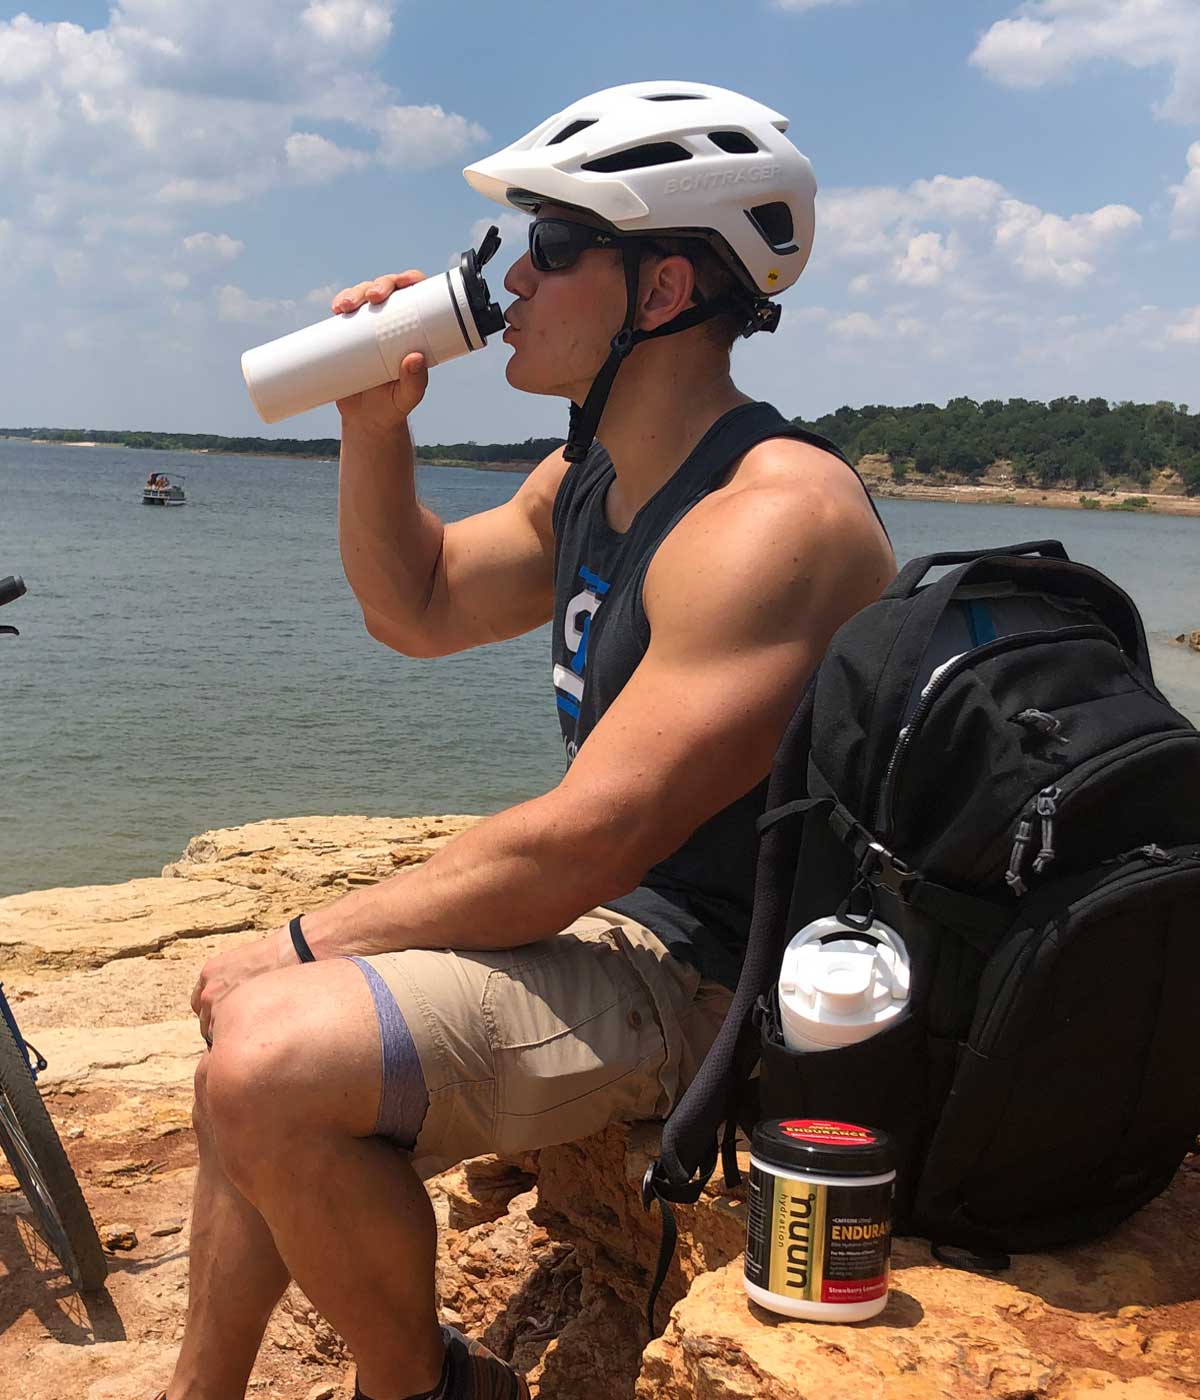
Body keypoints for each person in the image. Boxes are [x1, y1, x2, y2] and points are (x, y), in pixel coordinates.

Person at [156, 81, 895, 1400]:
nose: (514, 277)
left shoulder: (772, 519)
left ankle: (420, 1387)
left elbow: (593, 838)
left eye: (553, 245)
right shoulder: (595, 474)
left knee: (270, 1050)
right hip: (624, 923)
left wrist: (303, 939)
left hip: (719, 978)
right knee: (251, 1046)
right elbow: (420, 605)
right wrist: (373, 426)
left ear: (660, 295)